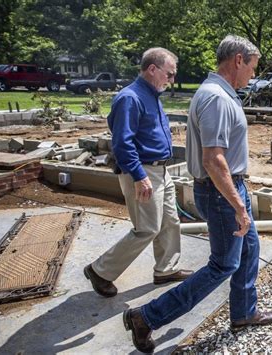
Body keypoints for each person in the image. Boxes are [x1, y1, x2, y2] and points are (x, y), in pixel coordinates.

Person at [122, 35, 272, 353]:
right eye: (252, 67)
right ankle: (146, 317)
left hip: (230, 187)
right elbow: (213, 159)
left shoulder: (223, 93)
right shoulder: (217, 98)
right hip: (222, 193)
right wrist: (237, 203)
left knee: (249, 250)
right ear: (238, 60)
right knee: (223, 265)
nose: (253, 74)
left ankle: (244, 312)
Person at [83, 48, 193, 298]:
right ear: (152, 69)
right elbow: (122, 143)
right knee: (147, 228)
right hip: (142, 170)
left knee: (170, 221)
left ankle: (166, 268)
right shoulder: (130, 98)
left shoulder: (151, 94)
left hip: (159, 169)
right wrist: (139, 176)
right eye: (170, 74)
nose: (172, 79)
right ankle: (100, 271)